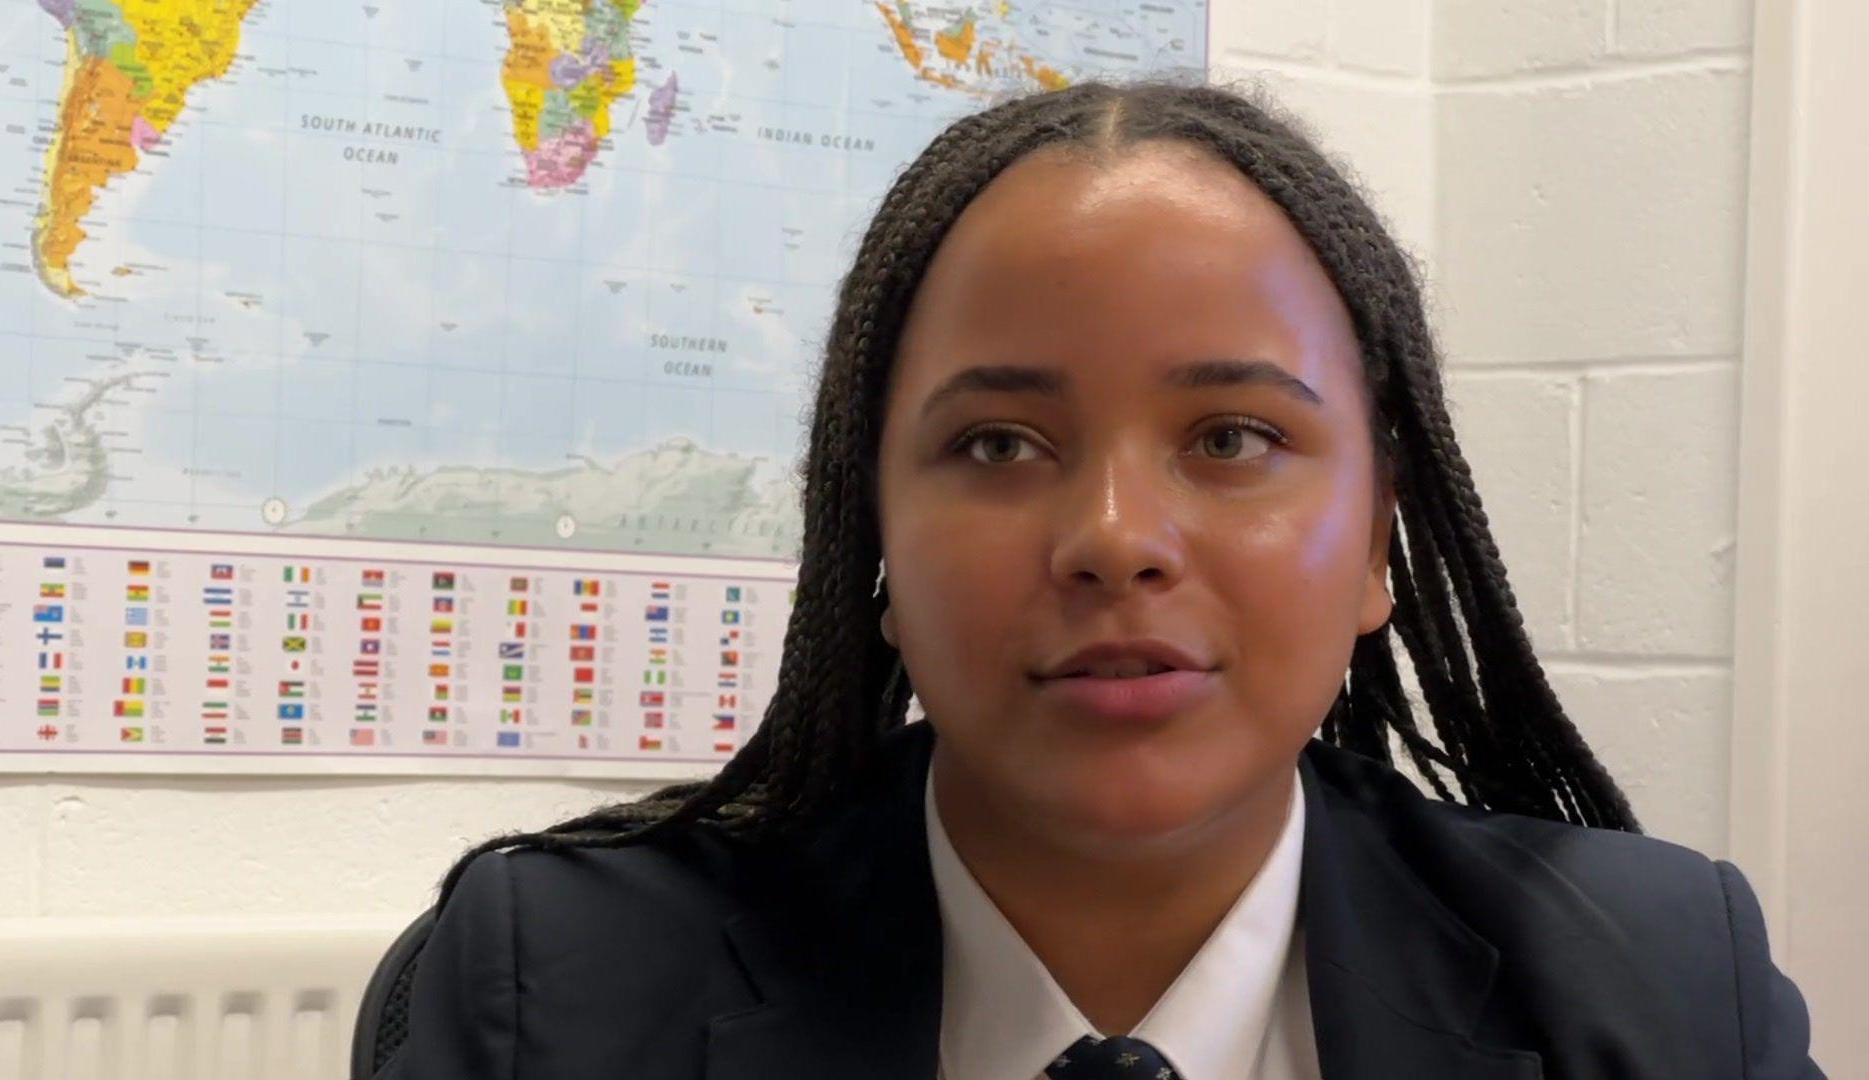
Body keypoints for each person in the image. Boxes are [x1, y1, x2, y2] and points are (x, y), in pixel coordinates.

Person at [379, 80, 1820, 1079]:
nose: (1116, 533)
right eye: (999, 442)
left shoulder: (1661, 989)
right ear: (871, 539)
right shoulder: (547, 994)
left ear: (1380, 536)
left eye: (1234, 436)